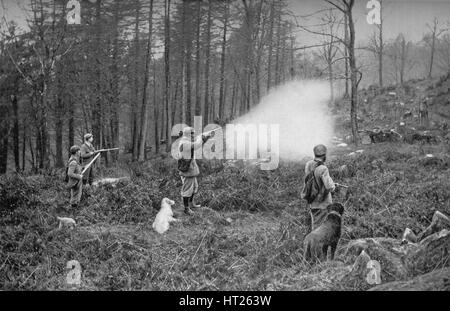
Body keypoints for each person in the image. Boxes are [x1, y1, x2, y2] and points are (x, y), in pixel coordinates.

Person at [303, 144, 340, 231]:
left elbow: (312, 180)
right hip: (323, 204)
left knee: (315, 225)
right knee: (320, 229)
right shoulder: (323, 168)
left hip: (312, 201)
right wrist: (334, 185)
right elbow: (330, 187)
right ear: (324, 155)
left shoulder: (308, 164)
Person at [178, 127, 213, 215]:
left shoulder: (187, 141)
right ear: (188, 134)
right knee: (187, 190)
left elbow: (197, 145)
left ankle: (191, 204)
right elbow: (197, 144)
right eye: (192, 133)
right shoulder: (185, 142)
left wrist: (206, 137)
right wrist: (201, 137)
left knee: (194, 187)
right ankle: (186, 209)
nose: (193, 135)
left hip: (190, 168)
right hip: (187, 169)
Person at [67, 145, 83, 210]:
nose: (80, 152)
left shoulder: (75, 160)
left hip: (77, 181)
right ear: (76, 152)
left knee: (77, 196)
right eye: (79, 151)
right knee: (75, 197)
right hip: (75, 182)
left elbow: (76, 169)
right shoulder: (73, 162)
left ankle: (75, 211)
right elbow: (70, 173)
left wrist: (83, 168)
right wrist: (79, 176)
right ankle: (72, 211)